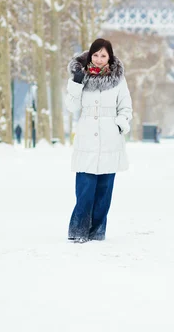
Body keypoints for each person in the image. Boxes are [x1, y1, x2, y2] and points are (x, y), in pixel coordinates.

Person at [65, 38, 132, 243]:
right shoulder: (81, 77)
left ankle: (97, 231)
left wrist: (119, 125)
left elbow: (126, 107)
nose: (99, 59)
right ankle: (78, 230)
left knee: (104, 190)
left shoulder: (119, 80)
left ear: (110, 57)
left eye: (104, 55)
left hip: (110, 139)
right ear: (89, 56)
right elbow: (71, 107)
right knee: (85, 187)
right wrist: (76, 83)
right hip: (87, 139)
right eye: (96, 55)